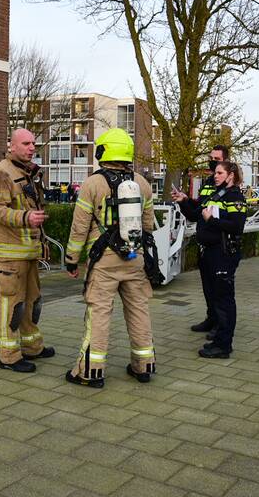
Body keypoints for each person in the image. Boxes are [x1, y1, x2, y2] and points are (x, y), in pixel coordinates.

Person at [64, 128, 158, 387]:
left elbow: (79, 227)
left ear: (102, 151)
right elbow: (148, 225)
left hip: (103, 260)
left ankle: (90, 372)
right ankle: (143, 366)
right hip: (135, 258)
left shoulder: (93, 184)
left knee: (99, 314)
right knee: (139, 311)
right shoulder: (142, 183)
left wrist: (72, 259)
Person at [0, 128, 56, 372]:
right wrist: (26, 218)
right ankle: (8, 356)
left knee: (31, 302)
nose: (31, 147)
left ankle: (31, 347)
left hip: (28, 252)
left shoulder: (26, 172)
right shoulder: (2, 173)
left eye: (33, 143)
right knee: (11, 305)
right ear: (12, 146)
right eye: (26, 143)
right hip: (10, 255)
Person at [172, 161, 248, 358]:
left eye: (220, 173)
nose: (215, 175)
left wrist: (211, 220)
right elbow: (195, 215)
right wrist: (183, 201)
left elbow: (236, 226)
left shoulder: (235, 197)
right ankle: (219, 339)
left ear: (231, 175)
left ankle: (223, 346)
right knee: (215, 297)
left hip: (223, 253)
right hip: (210, 253)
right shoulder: (217, 194)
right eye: (216, 173)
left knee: (224, 300)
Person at [178, 144, 230, 335]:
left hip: (220, 247)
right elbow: (196, 213)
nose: (212, 162)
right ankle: (211, 318)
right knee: (208, 288)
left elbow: (231, 221)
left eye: (216, 160)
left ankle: (221, 326)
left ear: (225, 162)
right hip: (205, 245)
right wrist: (184, 201)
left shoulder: (229, 189)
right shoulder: (208, 183)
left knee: (219, 290)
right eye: (211, 158)